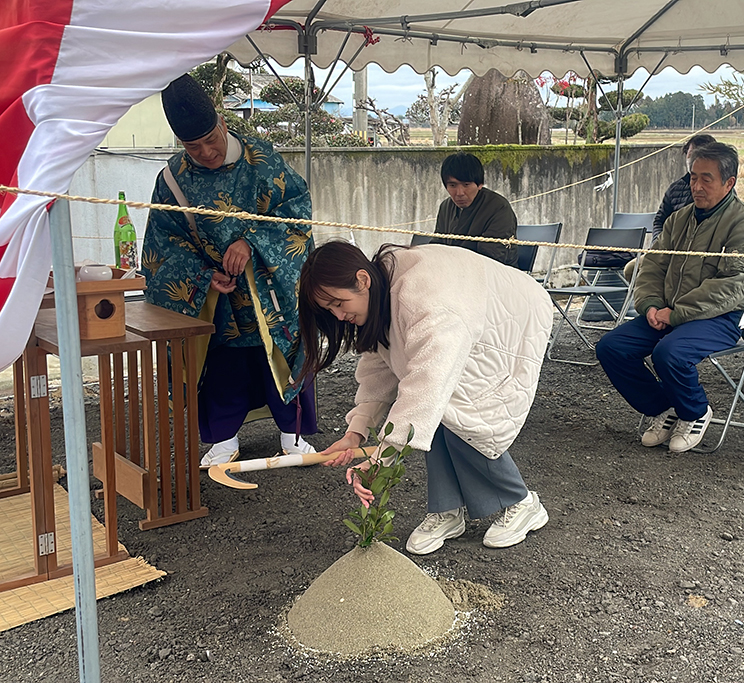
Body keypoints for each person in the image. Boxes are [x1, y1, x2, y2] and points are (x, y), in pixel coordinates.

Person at [298, 241, 551, 554]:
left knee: (461, 410)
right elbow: (383, 364)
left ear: (362, 279)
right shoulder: (381, 289)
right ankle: (447, 509)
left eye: (339, 302)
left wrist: (382, 458)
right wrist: (355, 433)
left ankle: (522, 502)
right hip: (469, 313)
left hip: (512, 316)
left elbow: (427, 387)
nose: (338, 315)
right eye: (329, 310)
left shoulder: (426, 300)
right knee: (435, 407)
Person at [141, 74, 317, 468]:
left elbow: (297, 212)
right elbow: (162, 243)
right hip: (216, 295)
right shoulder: (172, 179)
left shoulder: (261, 159)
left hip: (269, 286)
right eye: (192, 145)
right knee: (223, 366)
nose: (205, 151)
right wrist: (204, 278)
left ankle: (293, 434)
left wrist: (249, 241)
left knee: (281, 356)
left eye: (210, 139)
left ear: (221, 122)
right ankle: (223, 439)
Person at [595, 143, 744, 453]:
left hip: (721, 317)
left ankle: (695, 411)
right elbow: (652, 266)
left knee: (669, 353)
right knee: (612, 348)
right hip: (669, 310)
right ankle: (664, 407)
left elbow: (730, 288)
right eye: (692, 178)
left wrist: (673, 314)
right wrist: (649, 305)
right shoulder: (679, 219)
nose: (697, 187)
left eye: (706, 179)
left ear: (729, 183)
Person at [622, 133, 717, 281]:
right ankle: (650, 303)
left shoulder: (720, 190)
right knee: (632, 269)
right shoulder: (676, 188)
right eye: (690, 155)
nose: (693, 160)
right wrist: (658, 244)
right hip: (668, 250)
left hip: (702, 256)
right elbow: (659, 220)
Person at [431, 152, 518, 265]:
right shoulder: (446, 207)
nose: (459, 193)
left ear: (480, 184)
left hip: (495, 275)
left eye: (466, 185)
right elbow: (437, 246)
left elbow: (491, 258)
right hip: (453, 272)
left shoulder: (499, 208)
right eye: (453, 185)